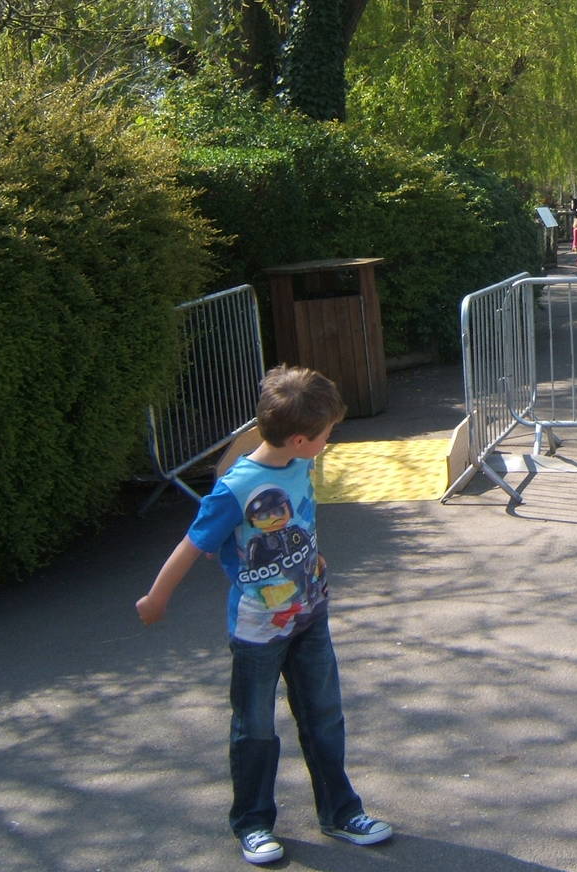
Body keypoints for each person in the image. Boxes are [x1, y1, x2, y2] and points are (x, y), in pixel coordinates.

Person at [135, 365, 393, 865]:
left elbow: (298, 521)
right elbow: (193, 544)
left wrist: (312, 557)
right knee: (255, 727)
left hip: (310, 615)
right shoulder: (236, 488)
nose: (328, 440)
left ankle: (341, 812)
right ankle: (252, 822)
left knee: (324, 716)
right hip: (258, 632)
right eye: (326, 434)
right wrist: (156, 597)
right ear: (299, 438)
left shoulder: (299, 464)